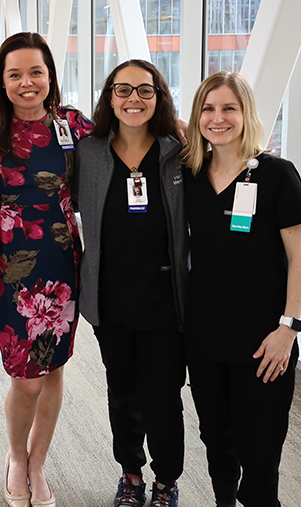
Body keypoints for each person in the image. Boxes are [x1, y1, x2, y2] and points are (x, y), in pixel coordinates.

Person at [181, 72, 301, 507]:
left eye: (228, 108)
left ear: (246, 114)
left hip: (264, 340)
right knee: (216, 441)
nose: (218, 118)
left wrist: (288, 328)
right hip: (205, 337)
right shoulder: (190, 174)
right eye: (208, 108)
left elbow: (299, 258)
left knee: (260, 449)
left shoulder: (276, 175)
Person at [0, 32, 92, 507]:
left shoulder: (72, 123)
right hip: (9, 261)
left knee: (55, 366)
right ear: (1, 81)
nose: (27, 83)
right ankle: (15, 457)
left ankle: (38, 463)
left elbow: (133, 137)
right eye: (15, 74)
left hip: (62, 256)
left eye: (36, 72)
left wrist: (181, 125)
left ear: (50, 76)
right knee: (27, 375)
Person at [74, 60, 187, 507]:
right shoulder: (89, 152)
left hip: (164, 299)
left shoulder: (179, 150)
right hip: (110, 298)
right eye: (123, 90)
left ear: (158, 97)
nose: (133, 99)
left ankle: (167, 481)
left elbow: (234, 153)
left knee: (163, 397)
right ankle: (131, 475)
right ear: (109, 98)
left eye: (145, 90)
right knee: (121, 392)